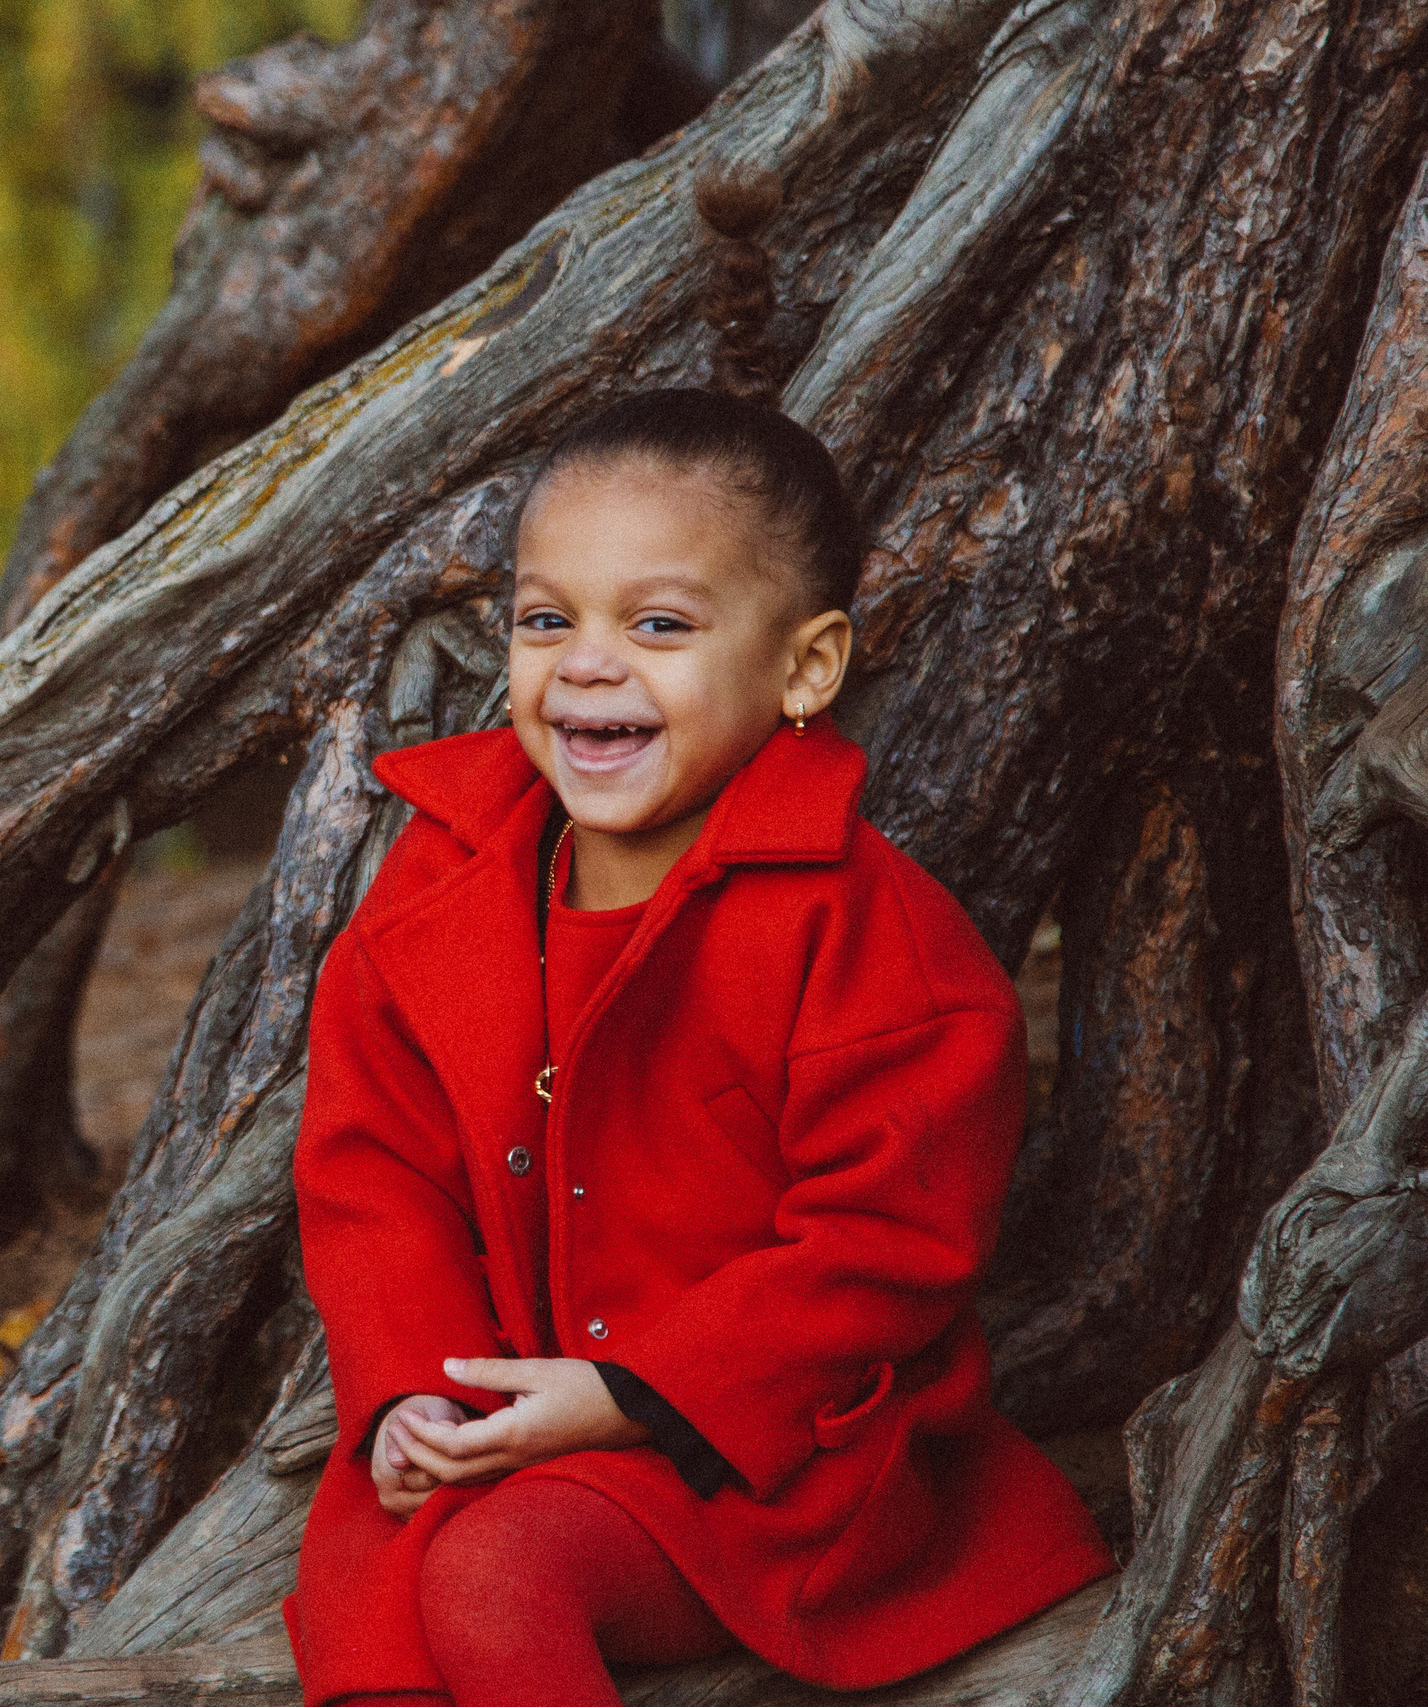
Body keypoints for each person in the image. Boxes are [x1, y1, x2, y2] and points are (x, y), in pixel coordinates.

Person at [280, 167, 1117, 1707]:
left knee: (493, 1576)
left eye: (659, 627)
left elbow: (884, 1248)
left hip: (769, 1459)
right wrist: (410, 1388)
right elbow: (370, 1168)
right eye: (549, 621)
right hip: (493, 1418)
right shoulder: (445, 881)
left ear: (804, 670)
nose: (590, 670)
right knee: (383, 1634)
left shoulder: (871, 938)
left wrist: (623, 1397)